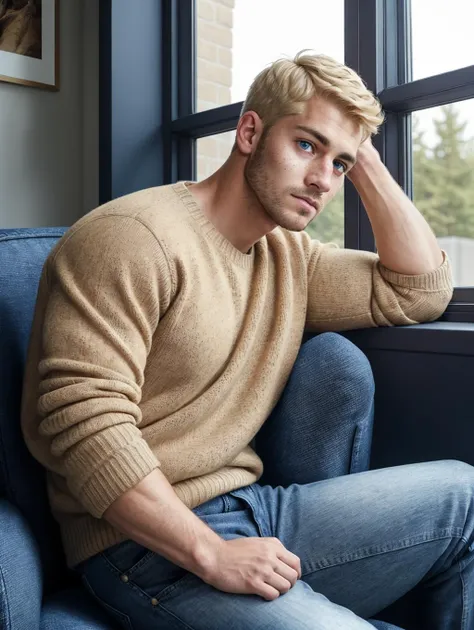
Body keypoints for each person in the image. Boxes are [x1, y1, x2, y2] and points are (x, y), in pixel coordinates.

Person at [21, 52, 474, 630]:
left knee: (466, 494)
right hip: (139, 548)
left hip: (254, 510)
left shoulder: (289, 259)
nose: (321, 179)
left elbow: (419, 290)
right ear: (250, 130)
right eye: (307, 145)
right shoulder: (130, 238)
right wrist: (209, 553)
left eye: (338, 164)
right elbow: (83, 425)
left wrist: (364, 164)